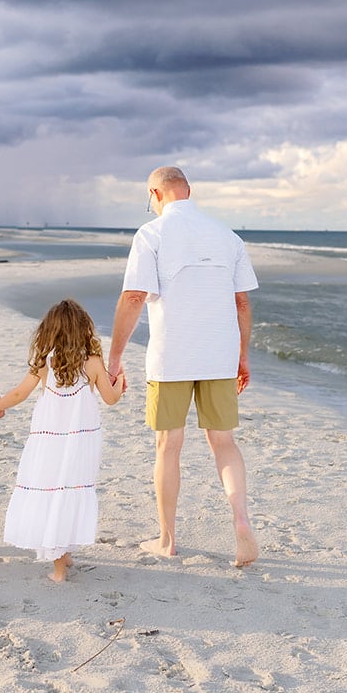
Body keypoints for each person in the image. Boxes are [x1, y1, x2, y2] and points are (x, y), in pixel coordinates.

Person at [108, 166, 260, 567]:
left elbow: (134, 296)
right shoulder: (227, 237)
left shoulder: (152, 234)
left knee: (168, 446)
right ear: (188, 191)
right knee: (224, 442)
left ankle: (168, 540)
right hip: (219, 355)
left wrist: (115, 357)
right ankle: (241, 520)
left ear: (156, 194)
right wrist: (243, 356)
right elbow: (242, 302)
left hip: (171, 357)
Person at [0, 300, 121, 583]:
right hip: (82, 443)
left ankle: (61, 566)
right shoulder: (93, 363)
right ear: (83, 330)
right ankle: (63, 559)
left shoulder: (44, 363)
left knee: (54, 491)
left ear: (49, 331)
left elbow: (19, 394)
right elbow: (110, 399)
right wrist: (120, 383)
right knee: (70, 489)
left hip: (49, 442)